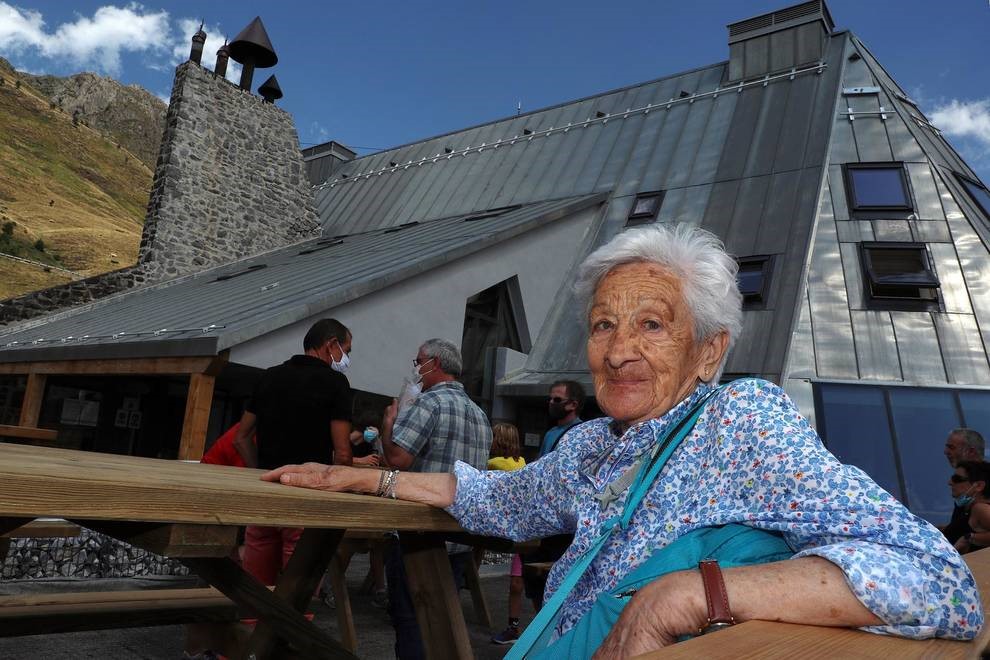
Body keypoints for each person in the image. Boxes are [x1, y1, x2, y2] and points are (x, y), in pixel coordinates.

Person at [263, 225, 981, 658]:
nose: (619, 350)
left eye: (652, 325)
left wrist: (687, 596)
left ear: (708, 351)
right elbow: (503, 499)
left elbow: (937, 581)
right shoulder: (591, 446)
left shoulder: (740, 422)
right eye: (605, 324)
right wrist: (370, 481)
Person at [376, 338, 492, 659]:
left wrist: (387, 425)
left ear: (434, 364)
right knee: (441, 621)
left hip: (417, 532)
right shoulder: (481, 416)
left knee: (410, 621)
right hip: (457, 536)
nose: (416, 370)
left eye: (418, 363)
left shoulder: (430, 403)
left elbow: (398, 459)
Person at [234, 318, 355, 586]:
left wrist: (263, 472)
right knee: (297, 593)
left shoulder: (268, 376)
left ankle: (252, 626)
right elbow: (343, 454)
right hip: (307, 497)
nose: (346, 358)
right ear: (331, 344)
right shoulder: (336, 384)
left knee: (254, 588)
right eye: (347, 350)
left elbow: (241, 438)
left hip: (265, 494)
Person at [487, 422, 527, 645]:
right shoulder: (522, 462)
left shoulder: (492, 464)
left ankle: (513, 627)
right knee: (519, 582)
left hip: (503, 529)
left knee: (517, 583)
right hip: (522, 530)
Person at [942, 429, 985, 544]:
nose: (945, 452)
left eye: (951, 447)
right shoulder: (966, 496)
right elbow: (965, 525)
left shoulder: (981, 506)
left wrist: (967, 539)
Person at [538, 380, 585, 458]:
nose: (551, 402)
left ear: (573, 405)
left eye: (557, 400)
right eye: (550, 399)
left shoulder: (583, 434)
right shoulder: (550, 433)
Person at [953, 461, 990, 554]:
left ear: (979, 486)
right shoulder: (967, 508)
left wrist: (968, 538)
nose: (950, 482)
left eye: (957, 479)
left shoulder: (980, 508)